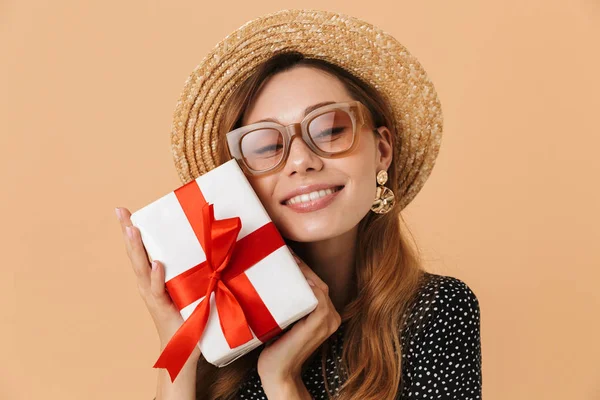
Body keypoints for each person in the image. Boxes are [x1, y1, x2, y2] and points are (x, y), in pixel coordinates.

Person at [115, 9, 482, 400]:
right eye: (267, 145)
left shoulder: (439, 310)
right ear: (239, 181)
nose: (301, 161)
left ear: (382, 150)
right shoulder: (224, 312)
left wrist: (283, 380)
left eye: (329, 129)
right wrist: (180, 340)